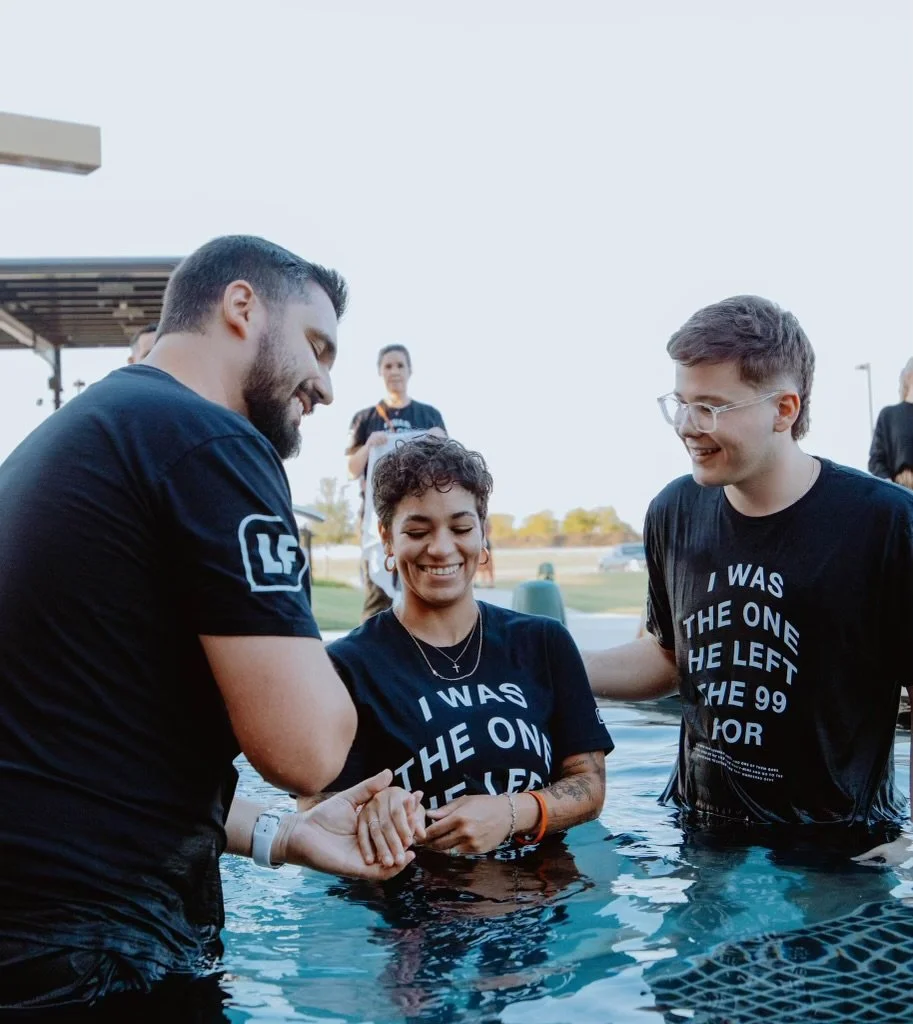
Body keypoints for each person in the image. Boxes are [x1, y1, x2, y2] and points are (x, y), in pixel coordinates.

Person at [0, 235, 419, 1015]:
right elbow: (307, 751)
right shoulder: (210, 440)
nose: (327, 386)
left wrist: (281, 835)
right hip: (98, 955)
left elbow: (86, 756)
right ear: (241, 307)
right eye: (316, 346)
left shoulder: (77, 438)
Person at [585, 295, 913, 858]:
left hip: (839, 848)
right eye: (681, 403)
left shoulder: (884, 523)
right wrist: (550, 663)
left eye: (711, 407)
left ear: (784, 409)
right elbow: (670, 657)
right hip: (697, 832)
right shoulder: (673, 511)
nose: (688, 426)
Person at [307, 435, 613, 864]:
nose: (441, 548)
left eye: (461, 528)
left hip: (547, 896)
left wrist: (511, 813)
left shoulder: (544, 642)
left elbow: (590, 786)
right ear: (387, 538)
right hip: (416, 902)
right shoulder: (346, 666)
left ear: (483, 533)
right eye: (417, 531)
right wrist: (373, 809)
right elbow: (316, 817)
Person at [346, 344, 447, 620]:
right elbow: (351, 469)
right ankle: (371, 645)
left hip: (421, 517)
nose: (394, 371)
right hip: (378, 520)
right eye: (388, 366)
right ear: (380, 372)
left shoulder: (429, 416)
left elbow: (449, 470)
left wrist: (440, 442)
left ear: (410, 370)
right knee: (377, 595)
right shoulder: (365, 418)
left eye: (400, 365)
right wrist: (368, 446)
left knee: (422, 588)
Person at [868, 356, 913, 489]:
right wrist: (892, 489)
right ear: (910, 376)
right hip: (903, 491)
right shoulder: (889, 415)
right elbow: (876, 460)